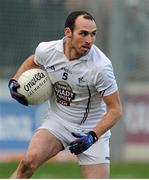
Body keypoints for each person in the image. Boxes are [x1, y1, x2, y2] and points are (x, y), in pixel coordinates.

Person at [8, 11, 122, 178]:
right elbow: (34, 60)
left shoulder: (101, 67)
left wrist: (92, 136)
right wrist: (15, 80)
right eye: (83, 33)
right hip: (58, 123)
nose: (89, 40)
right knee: (27, 163)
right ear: (68, 32)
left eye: (93, 34)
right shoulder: (47, 50)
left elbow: (116, 110)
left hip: (91, 129)